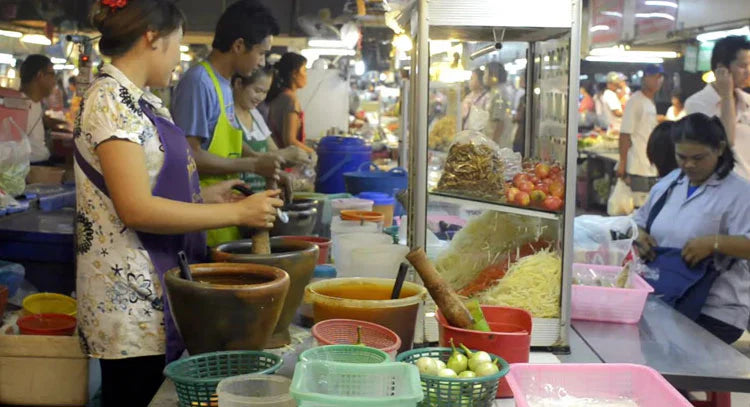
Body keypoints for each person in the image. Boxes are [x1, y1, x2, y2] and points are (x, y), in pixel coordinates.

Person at [75, 1, 283, 405]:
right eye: (177, 44)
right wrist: (236, 212)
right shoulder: (110, 101)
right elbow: (136, 208)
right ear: (152, 38)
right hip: (130, 299)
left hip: (156, 289)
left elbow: (144, 189)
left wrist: (206, 197)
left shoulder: (143, 100)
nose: (178, 58)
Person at [171, 0, 283, 247]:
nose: (263, 62)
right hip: (200, 222)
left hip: (223, 217)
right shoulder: (199, 83)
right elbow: (189, 156)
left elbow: (224, 140)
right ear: (239, 46)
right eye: (261, 53)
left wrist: (264, 162)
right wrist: (253, 164)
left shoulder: (225, 84)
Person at [634, 113, 750, 344]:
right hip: (665, 298)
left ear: (719, 149)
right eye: (682, 157)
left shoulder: (740, 193)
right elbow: (638, 221)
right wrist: (640, 236)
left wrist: (713, 243)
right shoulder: (670, 183)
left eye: (698, 157)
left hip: (714, 310)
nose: (688, 164)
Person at [232, 68, 309, 191]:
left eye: (265, 92)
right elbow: (249, 155)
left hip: (260, 195)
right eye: (257, 91)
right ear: (238, 84)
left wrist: (284, 171)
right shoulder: (227, 116)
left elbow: (272, 151)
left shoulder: (255, 115)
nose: (261, 97)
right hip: (236, 195)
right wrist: (284, 154)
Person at [685, 35, 750, 180]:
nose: (748, 71)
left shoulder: (747, 101)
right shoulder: (697, 104)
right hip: (724, 190)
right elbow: (726, 143)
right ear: (722, 69)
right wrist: (727, 97)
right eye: (742, 66)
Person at [618, 64, 664, 207]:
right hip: (637, 166)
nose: (658, 81)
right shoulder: (635, 101)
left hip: (649, 166)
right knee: (638, 209)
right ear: (645, 78)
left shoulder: (649, 102)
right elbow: (625, 135)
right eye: (654, 77)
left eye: (660, 77)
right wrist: (622, 163)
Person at [266, 52, 315, 154]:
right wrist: (314, 153)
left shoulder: (281, 95)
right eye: (304, 70)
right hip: (285, 160)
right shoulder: (290, 100)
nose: (306, 75)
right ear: (294, 73)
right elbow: (290, 141)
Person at [19, 55, 63, 164]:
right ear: (39, 75)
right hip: (31, 167)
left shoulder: (36, 102)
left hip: (43, 159)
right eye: (52, 74)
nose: (54, 81)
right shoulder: (17, 105)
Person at [486, 62, 516, 148]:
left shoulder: (499, 93)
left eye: (485, 73)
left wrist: (492, 145)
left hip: (498, 144)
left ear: (494, 75)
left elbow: (499, 122)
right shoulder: (496, 91)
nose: (484, 77)